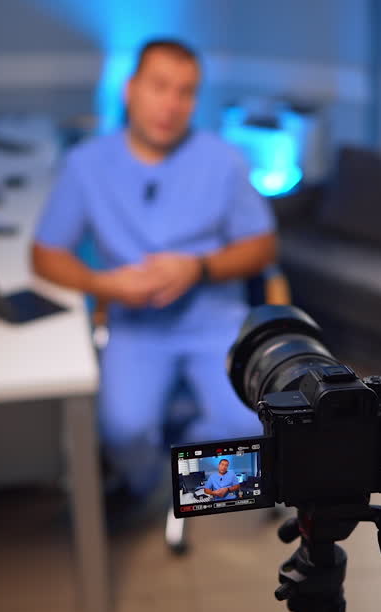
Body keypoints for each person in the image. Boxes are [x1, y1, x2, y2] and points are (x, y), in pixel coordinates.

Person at [31, 38, 276, 513]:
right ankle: (150, 482)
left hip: (215, 321)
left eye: (185, 92)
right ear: (131, 90)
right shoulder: (87, 164)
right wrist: (105, 285)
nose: (171, 104)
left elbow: (264, 246)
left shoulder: (223, 160)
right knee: (121, 429)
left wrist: (198, 267)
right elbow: (45, 253)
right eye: (159, 87)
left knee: (254, 432)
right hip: (135, 327)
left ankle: (191, 480)